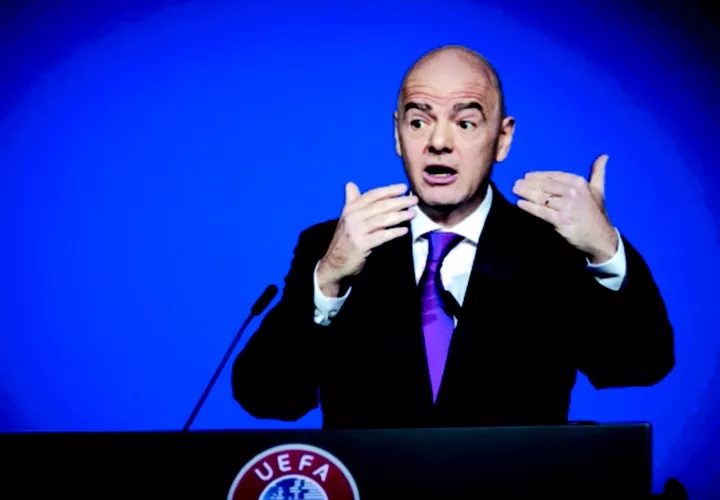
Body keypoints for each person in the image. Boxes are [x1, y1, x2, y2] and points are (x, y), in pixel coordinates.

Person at [231, 45, 675, 429]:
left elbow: (639, 365)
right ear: (398, 136)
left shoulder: (551, 249)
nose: (439, 141)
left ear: (502, 139)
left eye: (465, 123)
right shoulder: (333, 247)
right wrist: (328, 281)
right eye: (418, 122)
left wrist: (603, 247)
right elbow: (268, 397)